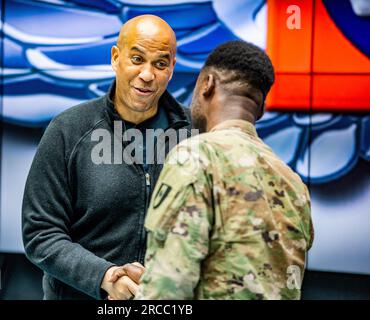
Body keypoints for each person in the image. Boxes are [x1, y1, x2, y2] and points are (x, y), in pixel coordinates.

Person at [21, 14, 191, 300]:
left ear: (172, 68)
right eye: (137, 59)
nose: (147, 75)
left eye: (160, 64)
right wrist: (105, 277)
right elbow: (41, 233)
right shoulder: (69, 130)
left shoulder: (197, 134)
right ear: (115, 58)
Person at [131, 40, 314, 299]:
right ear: (260, 109)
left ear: (207, 84)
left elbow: (167, 289)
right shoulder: (293, 183)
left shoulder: (196, 156)